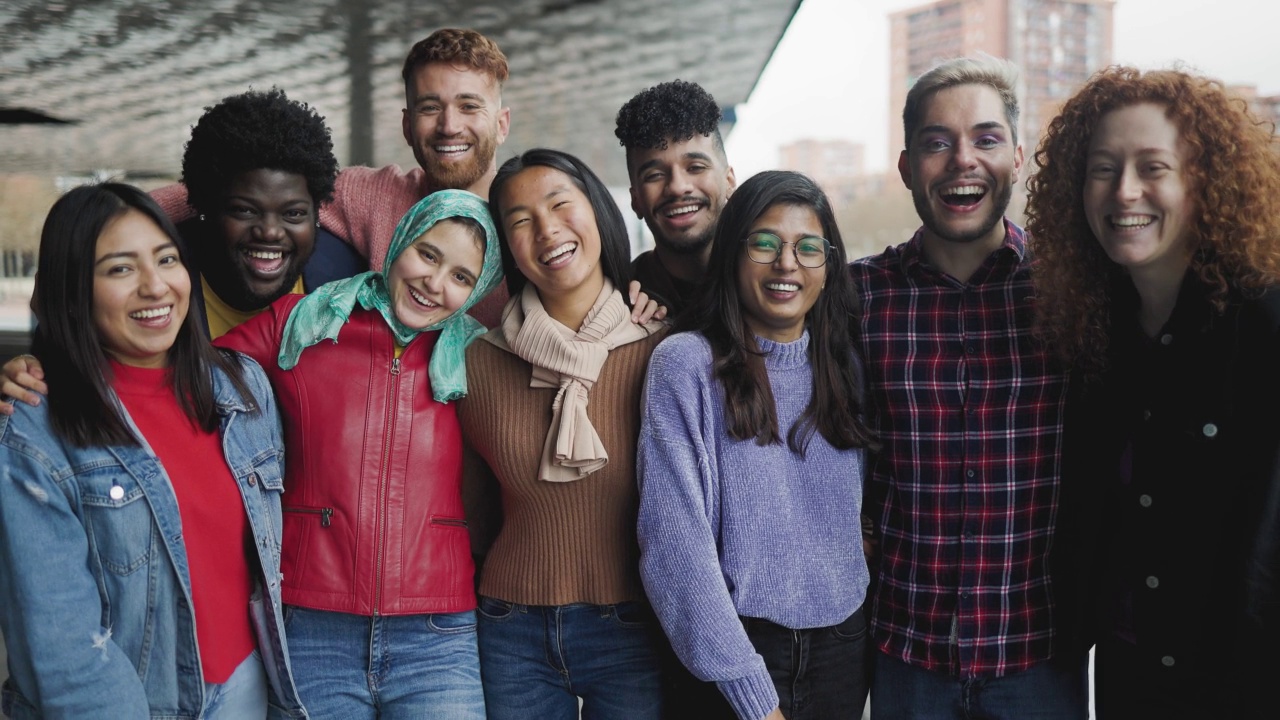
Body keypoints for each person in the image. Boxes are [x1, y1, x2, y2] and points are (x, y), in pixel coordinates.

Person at [1026, 66, 1280, 719]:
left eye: (1153, 167)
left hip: (1245, 681)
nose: (1124, 191)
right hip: (1129, 674)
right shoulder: (1091, 334)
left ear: (1205, 182)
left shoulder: (1266, 324)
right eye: (1103, 168)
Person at [0, 183, 303, 718]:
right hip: (128, 702)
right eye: (120, 269)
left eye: (166, 259)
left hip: (249, 689)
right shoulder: (34, 426)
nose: (155, 285)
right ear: (73, 290)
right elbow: (60, 641)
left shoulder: (242, 387)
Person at [850, 55, 1085, 718]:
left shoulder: (1073, 290)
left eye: (984, 139)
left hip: (1040, 657)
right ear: (906, 168)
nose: (962, 160)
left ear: (1015, 156)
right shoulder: (856, 297)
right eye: (936, 143)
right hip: (906, 657)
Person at [212, 189, 505, 718]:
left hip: (437, 634)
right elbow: (187, 377)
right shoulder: (302, 323)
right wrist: (54, 370)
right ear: (399, 242)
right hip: (311, 626)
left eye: (461, 277)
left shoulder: (482, 356)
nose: (434, 284)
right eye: (428, 254)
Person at [637, 170, 876, 720]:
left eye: (807, 247)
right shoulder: (686, 365)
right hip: (733, 651)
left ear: (827, 265)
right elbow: (675, 545)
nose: (786, 263)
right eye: (765, 243)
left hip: (843, 647)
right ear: (732, 254)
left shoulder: (846, 368)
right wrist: (749, 692)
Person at [458, 148, 667, 720]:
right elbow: (472, 511)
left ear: (597, 211)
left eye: (559, 205)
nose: (546, 230)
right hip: (509, 627)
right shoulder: (476, 360)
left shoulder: (661, 350)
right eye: (520, 221)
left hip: (634, 625)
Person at [0, 87, 343, 411]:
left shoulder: (346, 276)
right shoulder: (160, 275)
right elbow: (59, 353)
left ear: (316, 215)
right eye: (244, 210)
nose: (270, 231)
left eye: (294, 213)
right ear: (205, 206)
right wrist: (23, 374)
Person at [150, 28, 512, 328]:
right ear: (407, 125)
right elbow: (251, 184)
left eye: (469, 106)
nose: (449, 126)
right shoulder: (373, 195)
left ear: (501, 124)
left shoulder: (528, 216)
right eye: (430, 108)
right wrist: (107, 217)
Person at [614, 79, 737, 316]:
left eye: (695, 167)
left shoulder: (768, 281)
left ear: (729, 181)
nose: (678, 187)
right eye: (655, 175)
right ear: (636, 199)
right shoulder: (619, 303)